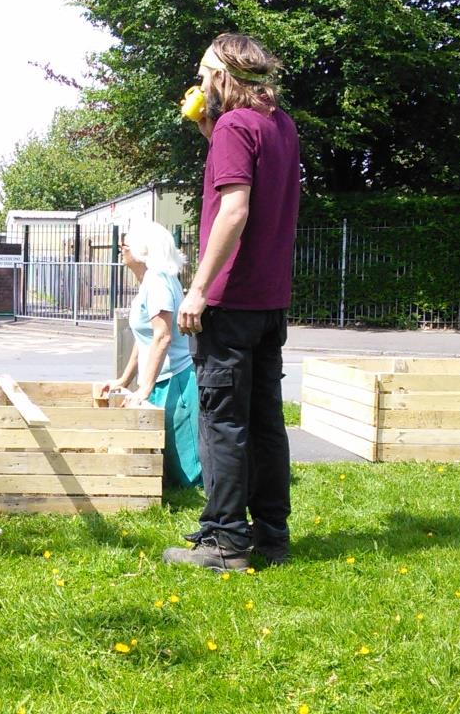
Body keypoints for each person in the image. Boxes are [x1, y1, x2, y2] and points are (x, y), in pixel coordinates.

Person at [162, 33, 301, 571]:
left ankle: (223, 543)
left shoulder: (233, 126)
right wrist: (209, 132)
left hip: (230, 303)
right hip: (270, 303)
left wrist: (197, 287)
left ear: (224, 76)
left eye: (204, 74)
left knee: (221, 421)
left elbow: (236, 210)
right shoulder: (280, 125)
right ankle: (272, 537)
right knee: (266, 421)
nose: (199, 84)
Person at [99, 220, 201, 488]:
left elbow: (162, 336)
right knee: (164, 466)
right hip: (159, 380)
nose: (121, 249)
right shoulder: (149, 282)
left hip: (175, 381)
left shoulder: (157, 280)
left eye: (125, 245)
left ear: (143, 250)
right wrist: (124, 380)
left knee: (187, 474)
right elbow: (144, 339)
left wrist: (144, 389)